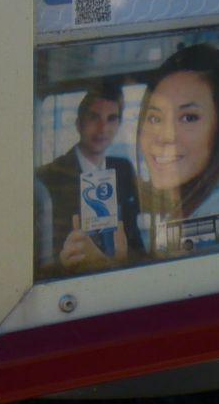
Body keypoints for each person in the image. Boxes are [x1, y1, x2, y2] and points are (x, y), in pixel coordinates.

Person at [135, 44, 219, 255]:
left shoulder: (215, 228)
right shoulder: (208, 203)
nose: (164, 137)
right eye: (154, 118)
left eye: (189, 118)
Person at [34, 79, 143, 276]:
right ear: (79, 123)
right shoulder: (47, 177)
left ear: (119, 124)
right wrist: (62, 264)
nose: (103, 128)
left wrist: (124, 260)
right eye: (94, 117)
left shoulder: (123, 170)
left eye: (111, 119)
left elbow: (136, 241)